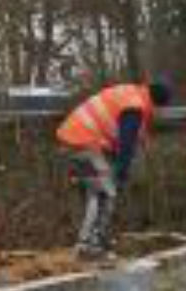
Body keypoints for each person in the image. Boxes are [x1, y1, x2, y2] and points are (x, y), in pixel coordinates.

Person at [56, 78, 172, 258]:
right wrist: (122, 171)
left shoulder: (131, 93)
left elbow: (115, 137)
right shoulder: (135, 107)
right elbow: (126, 143)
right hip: (83, 141)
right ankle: (89, 246)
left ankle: (96, 240)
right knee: (105, 193)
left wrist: (116, 165)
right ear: (157, 105)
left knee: (95, 193)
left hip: (76, 138)